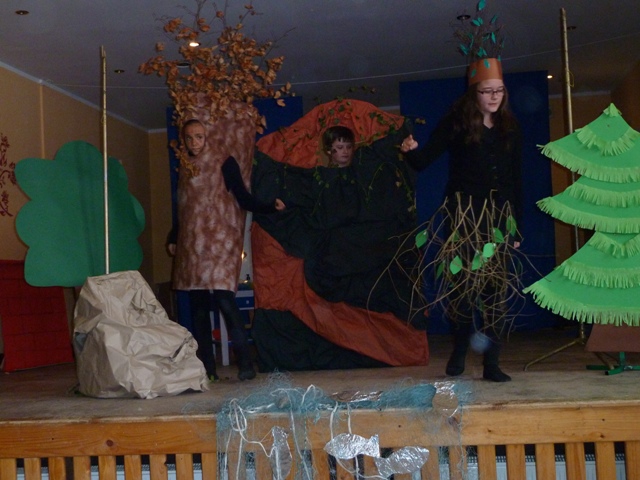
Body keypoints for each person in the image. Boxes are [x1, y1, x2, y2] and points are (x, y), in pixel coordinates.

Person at [400, 58, 522, 382]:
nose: (494, 97)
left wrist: (515, 228)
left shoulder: (510, 128)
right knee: (463, 289)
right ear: (474, 93)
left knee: (495, 291)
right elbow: (423, 160)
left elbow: (515, 180)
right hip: (465, 218)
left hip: (498, 220)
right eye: (487, 91)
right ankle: (459, 350)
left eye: (499, 91)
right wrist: (411, 150)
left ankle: (492, 363)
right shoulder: (457, 124)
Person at [168, 119, 285, 381]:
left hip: (219, 244)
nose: (194, 143)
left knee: (225, 302)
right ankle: (208, 369)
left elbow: (242, 197)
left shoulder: (224, 161)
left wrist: (268, 206)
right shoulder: (186, 166)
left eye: (199, 136)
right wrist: (174, 236)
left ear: (208, 136)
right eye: (189, 138)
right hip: (194, 247)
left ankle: (245, 364)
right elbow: (185, 207)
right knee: (198, 309)